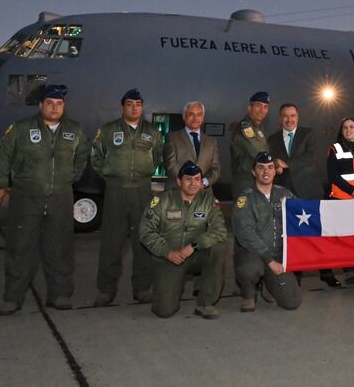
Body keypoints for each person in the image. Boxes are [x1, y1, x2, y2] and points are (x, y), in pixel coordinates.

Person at [0, 84, 89, 315]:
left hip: (61, 197)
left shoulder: (74, 130)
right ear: (41, 105)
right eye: (50, 103)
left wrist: (70, 177)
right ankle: (13, 298)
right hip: (26, 196)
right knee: (20, 248)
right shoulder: (22, 128)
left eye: (59, 104)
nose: (55, 108)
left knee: (60, 249)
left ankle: (60, 295)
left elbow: (83, 155)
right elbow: (2, 155)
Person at [90, 88, 163, 306]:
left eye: (138, 104)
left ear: (142, 107)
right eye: (130, 104)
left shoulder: (152, 132)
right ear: (122, 107)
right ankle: (105, 290)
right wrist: (112, 176)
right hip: (115, 191)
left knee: (143, 241)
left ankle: (142, 289)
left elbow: (158, 156)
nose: (134, 108)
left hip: (142, 190)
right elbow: (96, 157)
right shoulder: (108, 130)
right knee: (112, 243)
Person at [138, 161, 228, 319]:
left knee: (219, 248)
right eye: (188, 179)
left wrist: (194, 245)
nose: (193, 183)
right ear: (179, 181)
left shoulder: (208, 202)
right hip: (169, 257)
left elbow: (219, 231)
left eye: (197, 179)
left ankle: (205, 303)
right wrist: (167, 252)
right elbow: (146, 231)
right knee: (164, 311)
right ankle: (167, 286)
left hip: (195, 254)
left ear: (201, 183)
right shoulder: (162, 201)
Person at [268, 104, 339, 288]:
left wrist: (287, 163)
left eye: (292, 115)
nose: (289, 119)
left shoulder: (309, 134)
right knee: (293, 235)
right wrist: (275, 166)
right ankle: (296, 273)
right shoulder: (272, 139)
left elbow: (312, 157)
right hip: (285, 194)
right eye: (285, 116)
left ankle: (326, 272)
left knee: (318, 233)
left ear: (298, 117)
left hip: (310, 192)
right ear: (279, 119)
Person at [232, 152, 301, 312]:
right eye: (261, 168)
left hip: (277, 255)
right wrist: (270, 261)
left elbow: (304, 214)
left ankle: (269, 285)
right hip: (253, 254)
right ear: (253, 172)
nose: (266, 172)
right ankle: (248, 293)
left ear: (275, 171)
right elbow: (246, 234)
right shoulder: (245, 199)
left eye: (270, 167)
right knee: (249, 269)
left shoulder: (285, 194)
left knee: (292, 302)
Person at [327, 116, 354, 284]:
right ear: (341, 131)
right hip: (342, 200)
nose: (348, 130)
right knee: (345, 238)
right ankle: (348, 272)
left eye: (351, 127)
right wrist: (352, 191)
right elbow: (333, 175)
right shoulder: (335, 149)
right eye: (345, 127)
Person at [163, 100, 221, 191]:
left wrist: (204, 182)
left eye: (199, 115)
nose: (195, 118)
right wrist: (187, 183)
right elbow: (170, 165)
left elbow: (216, 168)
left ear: (202, 118)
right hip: (177, 191)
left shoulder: (212, 141)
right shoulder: (172, 137)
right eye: (191, 114)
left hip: (203, 193)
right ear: (184, 116)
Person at [230, 91, 270, 199]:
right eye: (258, 106)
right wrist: (274, 164)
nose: (262, 110)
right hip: (246, 183)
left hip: (257, 181)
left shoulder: (259, 128)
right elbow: (258, 153)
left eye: (266, 107)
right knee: (244, 215)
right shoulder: (245, 127)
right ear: (249, 107)